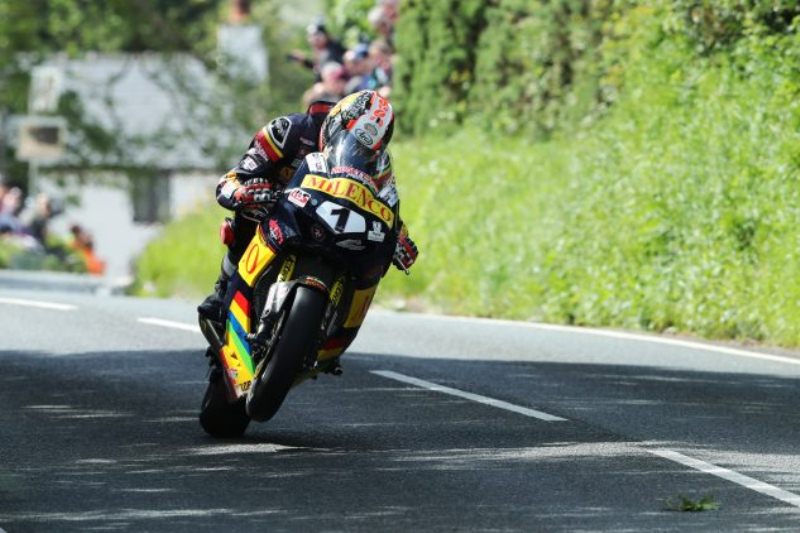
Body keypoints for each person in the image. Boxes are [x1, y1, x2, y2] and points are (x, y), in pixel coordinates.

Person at [198, 91, 418, 324]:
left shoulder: (378, 165)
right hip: (275, 209)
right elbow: (234, 177)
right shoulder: (288, 131)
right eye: (348, 137)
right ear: (334, 121)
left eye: (365, 149)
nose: (356, 151)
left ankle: (333, 329)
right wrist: (241, 192)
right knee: (247, 213)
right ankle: (224, 290)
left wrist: (399, 238)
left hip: (333, 223)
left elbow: (387, 207)